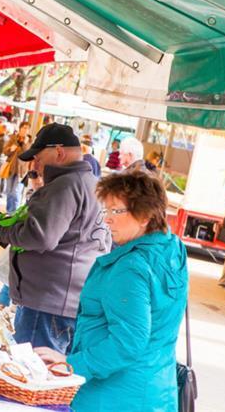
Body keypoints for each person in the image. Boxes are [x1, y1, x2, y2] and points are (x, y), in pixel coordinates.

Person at [35, 171, 188, 411]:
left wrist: (71, 364)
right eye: (106, 210)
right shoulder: (172, 247)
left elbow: (128, 341)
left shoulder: (130, 267)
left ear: (145, 216)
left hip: (116, 397)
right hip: (158, 392)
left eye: (116, 211)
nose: (107, 219)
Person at [0, 123, 110, 353]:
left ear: (59, 152)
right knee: (53, 375)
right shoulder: (92, 185)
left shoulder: (65, 186)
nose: (36, 165)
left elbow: (42, 236)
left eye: (38, 158)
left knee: (33, 374)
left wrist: (2, 232)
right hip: (70, 302)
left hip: (48, 305)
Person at [1, 121, 30, 213]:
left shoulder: (29, 141)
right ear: (20, 128)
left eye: (27, 128)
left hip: (21, 170)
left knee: (15, 192)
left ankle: (14, 213)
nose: (25, 130)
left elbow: (28, 154)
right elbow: (5, 151)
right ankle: (9, 211)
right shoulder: (13, 138)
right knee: (9, 191)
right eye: (24, 127)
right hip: (11, 168)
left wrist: (24, 144)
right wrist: (11, 149)